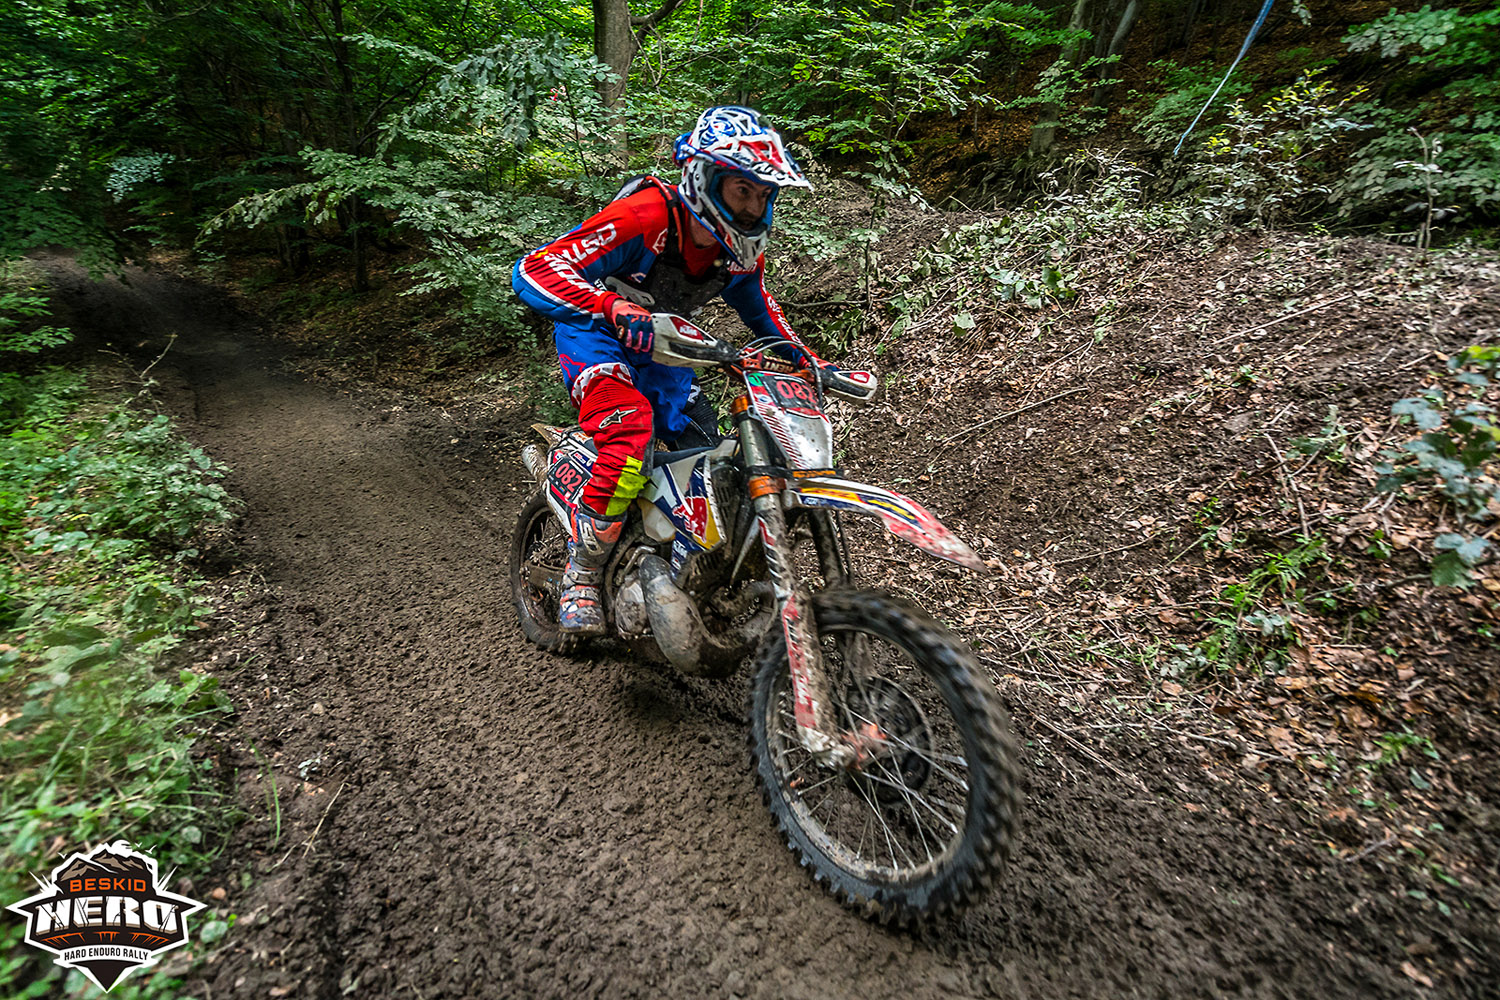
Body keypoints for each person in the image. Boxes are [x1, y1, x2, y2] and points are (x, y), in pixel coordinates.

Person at [512, 106, 822, 634]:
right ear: (704, 179)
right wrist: (609, 306)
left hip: (662, 345)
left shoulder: (739, 252)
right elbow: (537, 267)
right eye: (742, 190)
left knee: (708, 458)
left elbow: (759, 307)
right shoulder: (644, 216)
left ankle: (671, 565)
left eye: (764, 194)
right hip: (596, 334)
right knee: (630, 429)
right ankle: (583, 572)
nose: (754, 207)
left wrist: (804, 358)